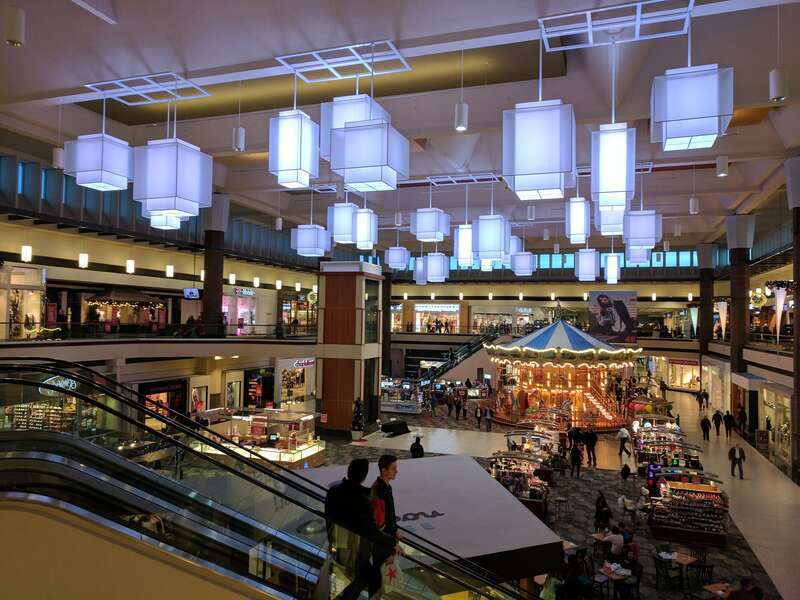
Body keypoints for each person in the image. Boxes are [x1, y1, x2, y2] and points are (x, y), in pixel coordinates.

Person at [325, 459, 395, 600]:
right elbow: (371, 531)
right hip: (355, 551)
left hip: (337, 545)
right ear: (363, 476)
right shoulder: (362, 500)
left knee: (359, 579)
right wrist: (391, 542)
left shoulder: (334, 491)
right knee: (367, 577)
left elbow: (329, 517)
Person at [370, 455, 401, 598]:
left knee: (381, 577)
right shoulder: (379, 491)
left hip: (386, 540)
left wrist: (396, 530)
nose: (397, 471)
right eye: (393, 468)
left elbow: (389, 515)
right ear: (384, 470)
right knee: (379, 577)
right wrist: (392, 544)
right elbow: (380, 524)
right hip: (382, 545)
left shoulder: (386, 487)